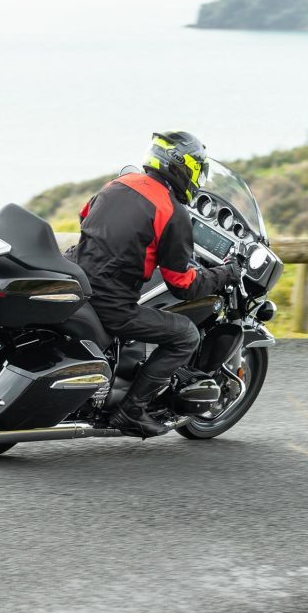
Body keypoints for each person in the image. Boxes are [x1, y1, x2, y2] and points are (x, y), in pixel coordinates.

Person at [65, 131, 241, 437]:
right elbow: (182, 285)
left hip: (75, 279)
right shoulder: (171, 212)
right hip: (111, 304)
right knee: (185, 335)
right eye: (198, 169)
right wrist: (225, 273)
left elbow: (85, 219)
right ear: (184, 168)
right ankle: (131, 411)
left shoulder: (117, 184)